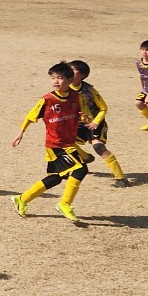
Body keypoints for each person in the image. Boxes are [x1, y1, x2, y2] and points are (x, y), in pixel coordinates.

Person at [11, 61, 90, 222]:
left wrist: (85, 118)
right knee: (81, 169)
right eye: (52, 78)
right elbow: (30, 116)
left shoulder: (77, 97)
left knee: (56, 178)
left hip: (69, 143)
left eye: (60, 78)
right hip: (56, 145)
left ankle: (22, 199)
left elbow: (83, 113)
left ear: (70, 80)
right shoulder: (47, 100)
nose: (55, 81)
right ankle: (65, 204)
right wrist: (21, 132)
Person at [68, 60, 130, 187]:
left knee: (99, 147)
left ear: (82, 75)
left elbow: (103, 108)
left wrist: (96, 122)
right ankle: (85, 157)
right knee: (64, 142)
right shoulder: (65, 89)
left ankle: (121, 178)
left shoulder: (89, 90)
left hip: (95, 123)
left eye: (72, 70)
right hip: (78, 124)